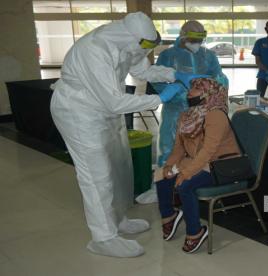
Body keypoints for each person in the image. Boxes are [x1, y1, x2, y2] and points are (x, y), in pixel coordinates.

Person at [50, 12, 186, 258]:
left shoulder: (127, 45)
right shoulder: (96, 49)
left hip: (103, 108)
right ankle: (103, 237)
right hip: (79, 111)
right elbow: (113, 102)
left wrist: (174, 74)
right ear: (131, 36)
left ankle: (117, 219)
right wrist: (159, 98)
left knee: (117, 166)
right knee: (96, 175)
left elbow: (144, 71)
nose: (145, 49)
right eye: (144, 44)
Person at [154, 78, 240, 253]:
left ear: (207, 94)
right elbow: (179, 148)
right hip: (198, 161)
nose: (189, 92)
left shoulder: (216, 115)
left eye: (195, 89)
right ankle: (169, 216)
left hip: (220, 164)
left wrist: (186, 173)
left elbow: (208, 151)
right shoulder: (187, 115)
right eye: (191, 88)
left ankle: (195, 232)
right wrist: (169, 165)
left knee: (185, 185)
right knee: (161, 174)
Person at [152, 20, 228, 167]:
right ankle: (167, 176)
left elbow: (219, 79)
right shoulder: (167, 56)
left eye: (199, 40)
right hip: (175, 109)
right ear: (183, 37)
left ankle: (197, 174)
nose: (197, 44)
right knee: (171, 143)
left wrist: (210, 91)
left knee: (202, 145)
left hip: (202, 109)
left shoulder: (209, 56)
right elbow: (157, 80)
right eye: (193, 40)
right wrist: (174, 93)